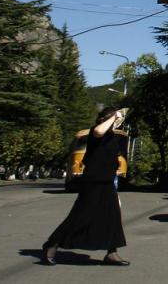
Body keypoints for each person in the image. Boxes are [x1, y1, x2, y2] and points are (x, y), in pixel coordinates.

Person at [42, 107, 130, 266]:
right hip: (94, 181)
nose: (117, 122)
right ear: (106, 119)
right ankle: (52, 244)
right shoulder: (96, 132)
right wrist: (114, 116)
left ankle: (112, 253)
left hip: (107, 182)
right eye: (115, 120)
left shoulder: (111, 136)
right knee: (81, 215)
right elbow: (98, 131)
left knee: (112, 218)